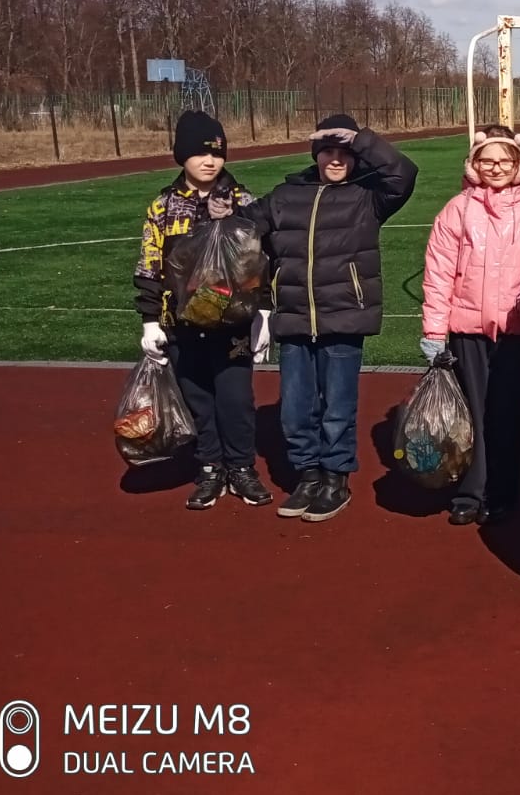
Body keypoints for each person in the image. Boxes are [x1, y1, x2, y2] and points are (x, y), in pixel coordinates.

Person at [250, 114, 419, 522]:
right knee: (294, 408)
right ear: (316, 154)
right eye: (328, 150)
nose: (336, 158)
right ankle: (307, 474)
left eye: (344, 151)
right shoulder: (286, 195)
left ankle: (335, 477)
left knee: (338, 407)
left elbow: (403, 175)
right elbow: (245, 228)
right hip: (293, 318)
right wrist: (223, 211)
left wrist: (361, 139)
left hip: (344, 317)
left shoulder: (368, 197)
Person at [133, 111, 273, 510]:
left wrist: (263, 311)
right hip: (181, 322)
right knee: (198, 398)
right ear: (182, 156)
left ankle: (242, 467)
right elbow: (149, 264)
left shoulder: (243, 201)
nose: (210, 161)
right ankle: (210, 466)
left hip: (232, 324)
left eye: (217, 154)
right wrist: (149, 319)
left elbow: (262, 259)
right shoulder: (163, 207)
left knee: (236, 398)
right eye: (200, 153)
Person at [421, 126, 520, 525]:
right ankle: (470, 492)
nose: (495, 168)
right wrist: (435, 332)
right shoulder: (457, 209)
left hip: (515, 332)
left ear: (519, 163)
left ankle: (503, 491)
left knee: (506, 414)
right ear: (474, 164)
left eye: (504, 160)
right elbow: (438, 273)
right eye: (487, 160)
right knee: (470, 413)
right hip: (467, 330)